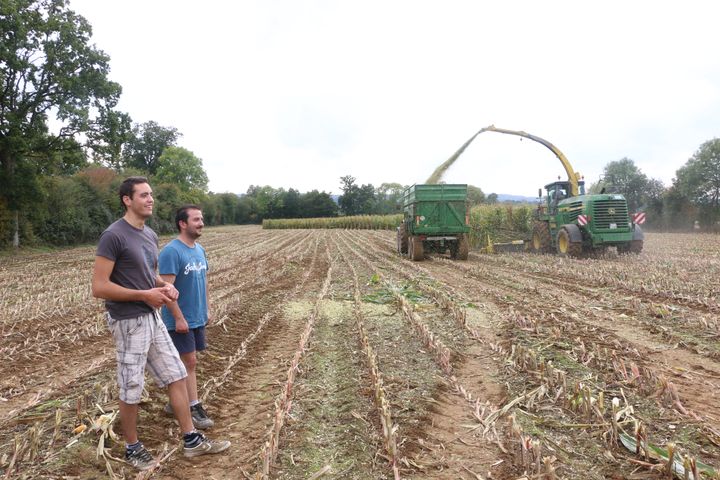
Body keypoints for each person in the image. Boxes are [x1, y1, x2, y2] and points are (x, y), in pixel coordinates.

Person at [91, 177, 230, 471]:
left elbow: (146, 275)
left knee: (177, 374)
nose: (150, 199)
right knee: (132, 386)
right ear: (127, 200)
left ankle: (192, 439)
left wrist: (162, 288)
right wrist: (144, 294)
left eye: (151, 194)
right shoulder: (113, 236)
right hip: (128, 321)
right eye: (143, 195)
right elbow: (99, 286)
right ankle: (132, 448)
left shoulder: (149, 235)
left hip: (151, 317)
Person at [159, 205, 214, 429]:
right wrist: (179, 318)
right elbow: (166, 289)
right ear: (183, 223)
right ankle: (193, 407)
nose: (201, 223)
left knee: (188, 363)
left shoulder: (199, 250)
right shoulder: (172, 251)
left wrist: (206, 309)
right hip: (180, 319)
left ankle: (176, 403)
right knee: (189, 362)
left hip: (197, 316)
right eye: (196, 220)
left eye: (201, 219)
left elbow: (204, 282)